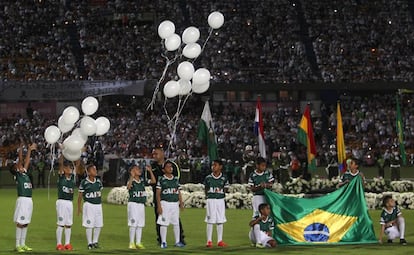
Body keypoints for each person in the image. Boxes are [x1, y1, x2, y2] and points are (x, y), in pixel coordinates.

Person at [151, 146, 185, 245]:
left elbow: (177, 179)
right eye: (153, 154)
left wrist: (180, 201)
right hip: (159, 197)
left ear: (162, 153)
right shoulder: (152, 166)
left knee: (176, 220)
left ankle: (180, 239)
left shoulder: (173, 165)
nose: (154, 156)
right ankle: (161, 240)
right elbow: (150, 181)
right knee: (159, 218)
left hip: (172, 197)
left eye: (156, 153)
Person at [13, 143, 37, 253]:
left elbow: (26, 161)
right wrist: (21, 149)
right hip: (22, 199)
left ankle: (23, 244)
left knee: (26, 222)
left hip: (29, 200)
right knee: (20, 222)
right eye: (20, 166)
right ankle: (17, 244)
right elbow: (22, 160)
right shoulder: (18, 175)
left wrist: (30, 150)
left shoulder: (25, 174)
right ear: (17, 168)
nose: (22, 166)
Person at [126, 164, 156, 249]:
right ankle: (131, 243)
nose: (139, 170)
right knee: (133, 223)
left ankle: (138, 242)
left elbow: (153, 181)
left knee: (140, 224)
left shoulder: (142, 180)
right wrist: (132, 177)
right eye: (136, 169)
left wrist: (150, 171)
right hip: (133, 204)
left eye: (139, 168)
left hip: (141, 205)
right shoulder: (131, 181)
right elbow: (128, 187)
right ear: (132, 171)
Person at [204, 160, 230, 248]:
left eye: (215, 165)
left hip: (220, 200)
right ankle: (209, 241)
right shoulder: (208, 178)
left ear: (220, 167)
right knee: (210, 220)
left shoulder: (224, 178)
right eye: (212, 165)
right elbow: (206, 189)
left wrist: (220, 193)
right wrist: (208, 196)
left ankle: (220, 240)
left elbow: (226, 188)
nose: (213, 167)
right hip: (211, 200)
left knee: (220, 220)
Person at [77, 164, 103, 250]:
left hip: (98, 205)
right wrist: (79, 207)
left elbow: (99, 192)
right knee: (89, 224)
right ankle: (89, 243)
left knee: (98, 224)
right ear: (88, 172)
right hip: (89, 205)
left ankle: (95, 241)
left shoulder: (98, 181)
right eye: (93, 170)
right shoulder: (84, 182)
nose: (95, 171)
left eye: (95, 169)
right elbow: (80, 195)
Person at [56, 155, 76, 251]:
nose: (69, 169)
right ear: (64, 169)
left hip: (69, 203)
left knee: (68, 224)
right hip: (61, 202)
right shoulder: (61, 177)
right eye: (67, 168)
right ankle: (59, 244)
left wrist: (79, 153)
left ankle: (67, 243)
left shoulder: (72, 178)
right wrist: (63, 154)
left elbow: (78, 164)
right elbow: (60, 163)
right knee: (61, 223)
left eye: (70, 168)